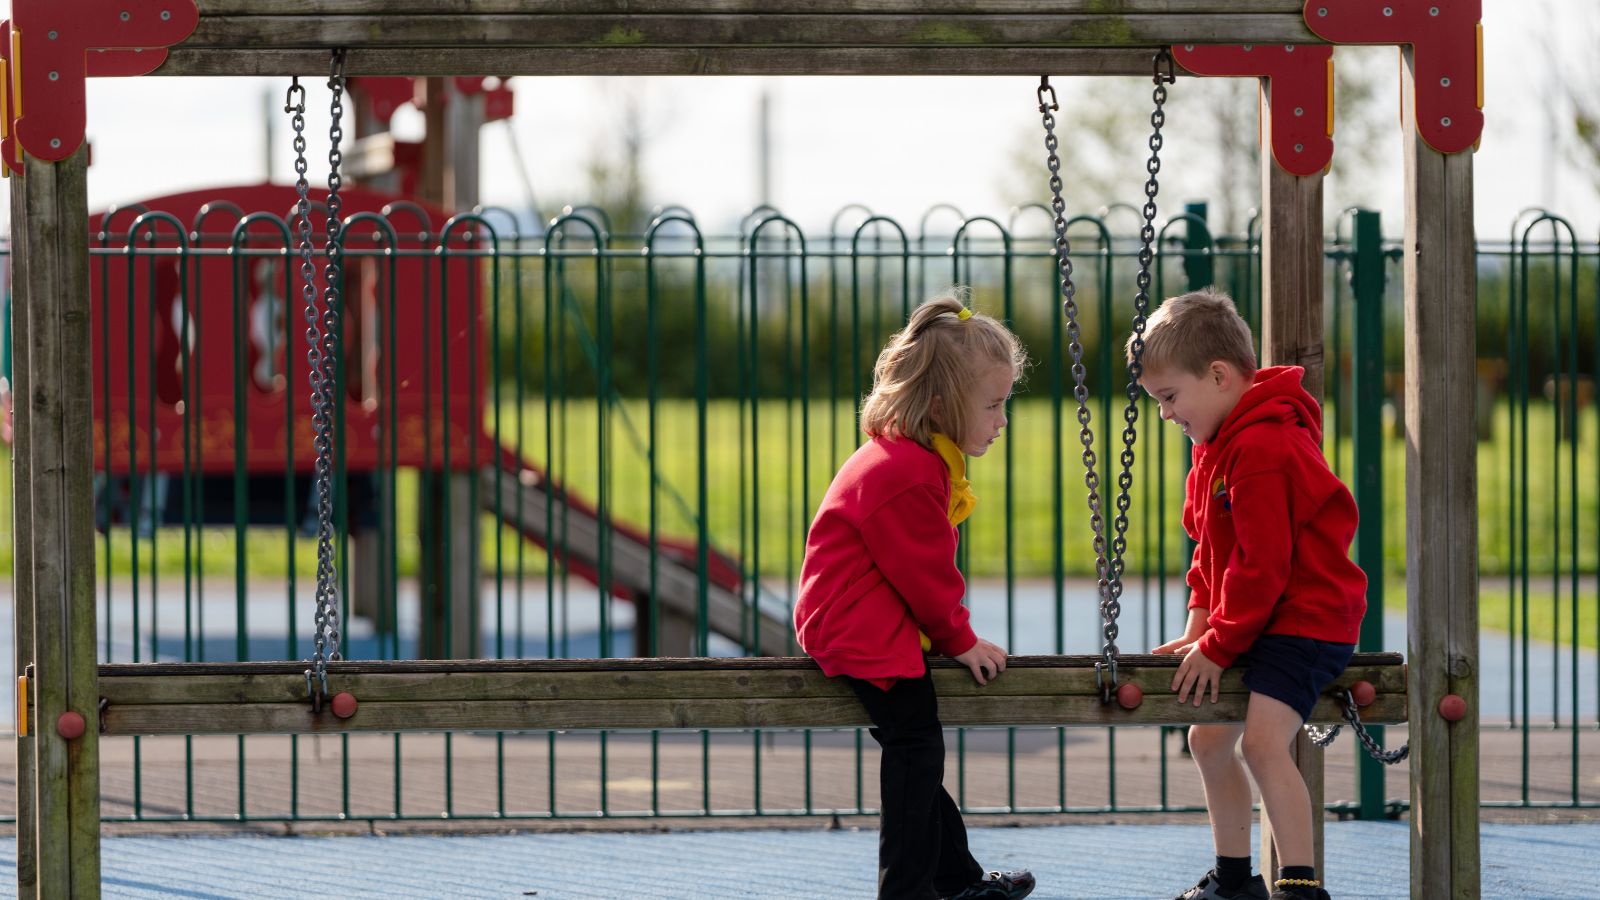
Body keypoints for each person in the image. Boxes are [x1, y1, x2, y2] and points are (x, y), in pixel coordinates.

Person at [794, 292, 1036, 900]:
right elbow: (926, 576)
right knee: (915, 749)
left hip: (860, 616)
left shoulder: (913, 459)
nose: (1001, 420)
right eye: (993, 405)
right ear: (941, 406)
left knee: (917, 754)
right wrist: (960, 639)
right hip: (857, 625)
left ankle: (955, 879)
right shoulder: (906, 473)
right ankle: (906, 889)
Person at [1135, 288, 1366, 900]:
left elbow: (1263, 564)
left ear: (1217, 376)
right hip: (1265, 617)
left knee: (1263, 744)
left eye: (1169, 397)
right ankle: (1235, 879)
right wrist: (1198, 629)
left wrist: (1219, 644)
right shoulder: (1215, 449)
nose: (1165, 413)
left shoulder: (1261, 448)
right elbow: (1211, 553)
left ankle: (1299, 885)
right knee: (1208, 737)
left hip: (1308, 617)